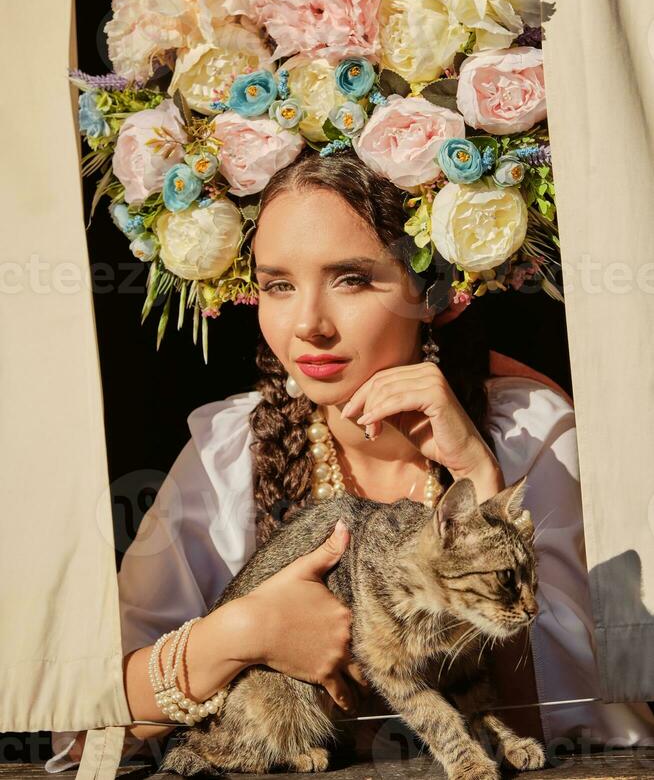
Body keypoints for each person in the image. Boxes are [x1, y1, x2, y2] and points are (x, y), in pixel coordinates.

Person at [46, 148, 654, 772]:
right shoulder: (226, 454)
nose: (308, 324)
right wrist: (242, 635)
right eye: (278, 284)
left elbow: (580, 724)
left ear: (435, 290)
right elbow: (84, 718)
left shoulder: (529, 432)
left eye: (352, 279)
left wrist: (479, 478)